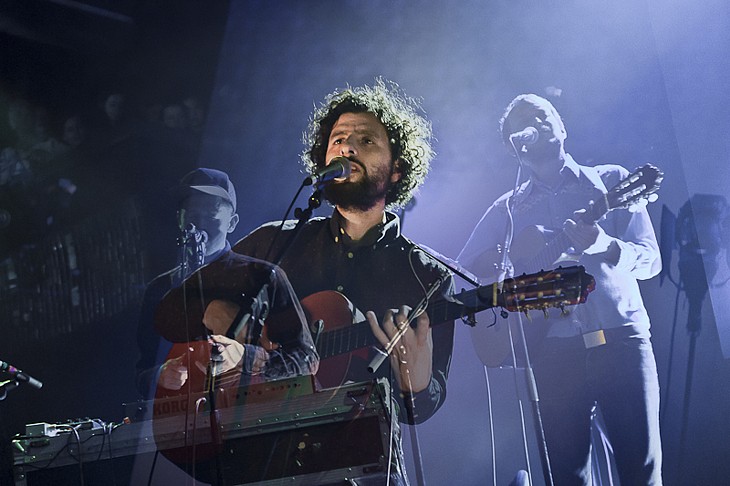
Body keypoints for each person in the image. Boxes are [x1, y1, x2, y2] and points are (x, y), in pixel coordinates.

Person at [233, 79, 455, 485]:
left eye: (366, 140)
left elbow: (420, 409)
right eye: (338, 140)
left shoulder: (424, 276)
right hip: (260, 459)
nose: (347, 148)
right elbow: (196, 301)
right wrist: (219, 318)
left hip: (365, 463)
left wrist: (417, 384)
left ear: (396, 170)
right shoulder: (274, 243)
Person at [458, 94, 662, 485]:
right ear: (516, 147)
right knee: (567, 478)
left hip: (623, 343)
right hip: (553, 354)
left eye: (542, 112)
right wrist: (502, 276)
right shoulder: (507, 211)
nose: (534, 119)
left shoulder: (613, 181)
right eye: (522, 119)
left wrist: (602, 244)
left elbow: (652, 261)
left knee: (643, 474)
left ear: (562, 127)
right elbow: (460, 273)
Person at [136, 167, 317, 399]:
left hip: (248, 416)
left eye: (210, 214)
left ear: (232, 223)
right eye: (190, 214)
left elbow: (305, 359)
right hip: (180, 423)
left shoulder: (262, 275)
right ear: (179, 220)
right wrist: (158, 374)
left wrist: (245, 357)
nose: (198, 223)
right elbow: (140, 371)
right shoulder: (159, 289)